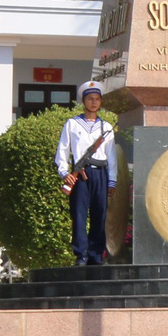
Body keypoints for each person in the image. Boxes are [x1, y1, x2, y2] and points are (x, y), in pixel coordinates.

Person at [55, 81, 116, 267]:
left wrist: (112, 180)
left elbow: (111, 156)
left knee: (100, 215)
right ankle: (81, 255)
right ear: (83, 101)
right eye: (90, 99)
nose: (94, 102)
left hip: (100, 174)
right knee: (79, 215)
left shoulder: (106, 127)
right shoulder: (72, 124)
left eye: (97, 99)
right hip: (80, 174)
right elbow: (63, 150)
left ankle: (96, 255)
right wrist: (65, 172)